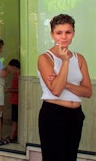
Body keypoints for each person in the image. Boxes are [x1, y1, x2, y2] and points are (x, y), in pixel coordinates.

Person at [37, 14, 92, 161]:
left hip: (75, 115)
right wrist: (65, 61)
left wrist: (66, 84)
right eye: (59, 33)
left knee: (70, 157)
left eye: (68, 32)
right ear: (52, 35)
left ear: (73, 33)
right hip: (53, 114)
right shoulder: (45, 58)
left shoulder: (79, 58)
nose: (64, 37)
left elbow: (88, 91)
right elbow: (55, 90)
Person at [4, 59, 20, 143]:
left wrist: (9, 90)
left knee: (14, 120)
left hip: (16, 102)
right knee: (15, 120)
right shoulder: (16, 75)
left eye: (10, 70)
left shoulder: (18, 76)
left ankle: (11, 137)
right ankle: (14, 135)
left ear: (14, 67)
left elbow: (18, 89)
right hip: (15, 101)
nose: (9, 72)